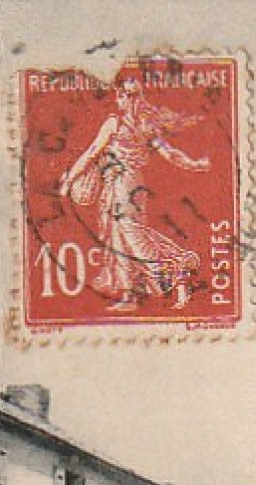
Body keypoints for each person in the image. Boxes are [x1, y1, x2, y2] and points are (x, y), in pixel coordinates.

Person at [57, 78, 211, 312]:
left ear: (140, 97)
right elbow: (91, 153)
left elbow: (169, 153)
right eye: (126, 95)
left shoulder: (139, 125)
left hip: (126, 185)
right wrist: (70, 178)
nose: (130, 100)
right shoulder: (119, 123)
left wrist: (194, 164)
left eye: (134, 95)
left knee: (132, 236)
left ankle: (176, 271)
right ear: (118, 98)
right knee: (120, 237)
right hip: (120, 185)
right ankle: (130, 295)